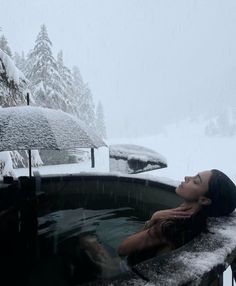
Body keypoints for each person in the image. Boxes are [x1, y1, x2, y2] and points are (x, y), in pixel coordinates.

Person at [118, 169, 236, 265]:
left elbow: (122, 249)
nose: (186, 177)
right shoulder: (196, 224)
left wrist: (153, 219)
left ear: (204, 200)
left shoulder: (171, 226)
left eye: (195, 181)